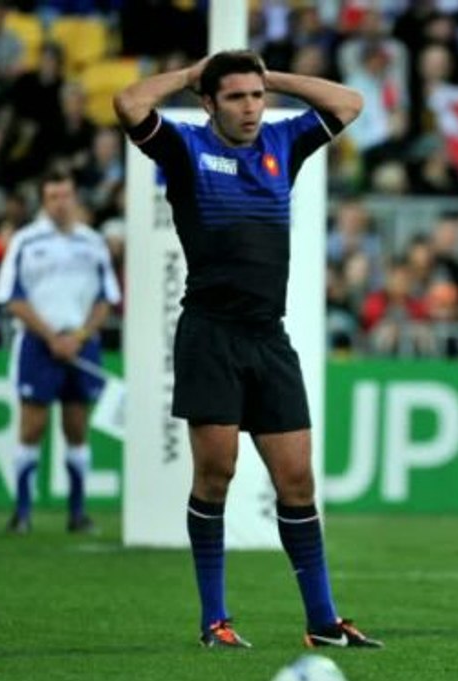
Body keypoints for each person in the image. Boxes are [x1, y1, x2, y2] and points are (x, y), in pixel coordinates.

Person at [113, 51, 381, 649]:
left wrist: (271, 76)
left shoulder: (284, 142)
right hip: (211, 334)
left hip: (268, 336)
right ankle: (215, 621)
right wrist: (187, 75)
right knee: (217, 476)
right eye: (235, 97)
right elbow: (129, 104)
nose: (251, 107)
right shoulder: (185, 149)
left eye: (256, 97)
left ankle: (323, 622)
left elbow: (349, 103)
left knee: (298, 483)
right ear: (209, 103)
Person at [0, 168, 121, 535]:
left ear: (75, 197)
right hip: (38, 343)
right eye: (53, 196)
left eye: (65, 195)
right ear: (43, 201)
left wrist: (77, 336)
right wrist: (52, 336)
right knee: (32, 426)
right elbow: (11, 298)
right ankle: (21, 511)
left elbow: (106, 299)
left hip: (79, 343)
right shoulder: (25, 241)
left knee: (77, 427)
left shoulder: (92, 242)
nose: (61, 203)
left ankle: (78, 514)